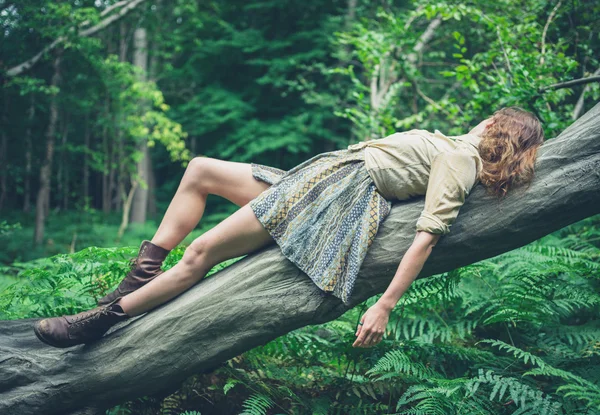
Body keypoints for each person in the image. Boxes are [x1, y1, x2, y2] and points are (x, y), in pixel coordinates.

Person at [33, 106, 544, 349]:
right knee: (201, 169)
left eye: (494, 117)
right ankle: (139, 277)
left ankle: (101, 320)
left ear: (502, 129)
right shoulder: (454, 146)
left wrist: (385, 305)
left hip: (333, 197)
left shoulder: (460, 160)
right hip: (318, 178)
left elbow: (427, 234)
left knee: (203, 251)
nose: (484, 119)